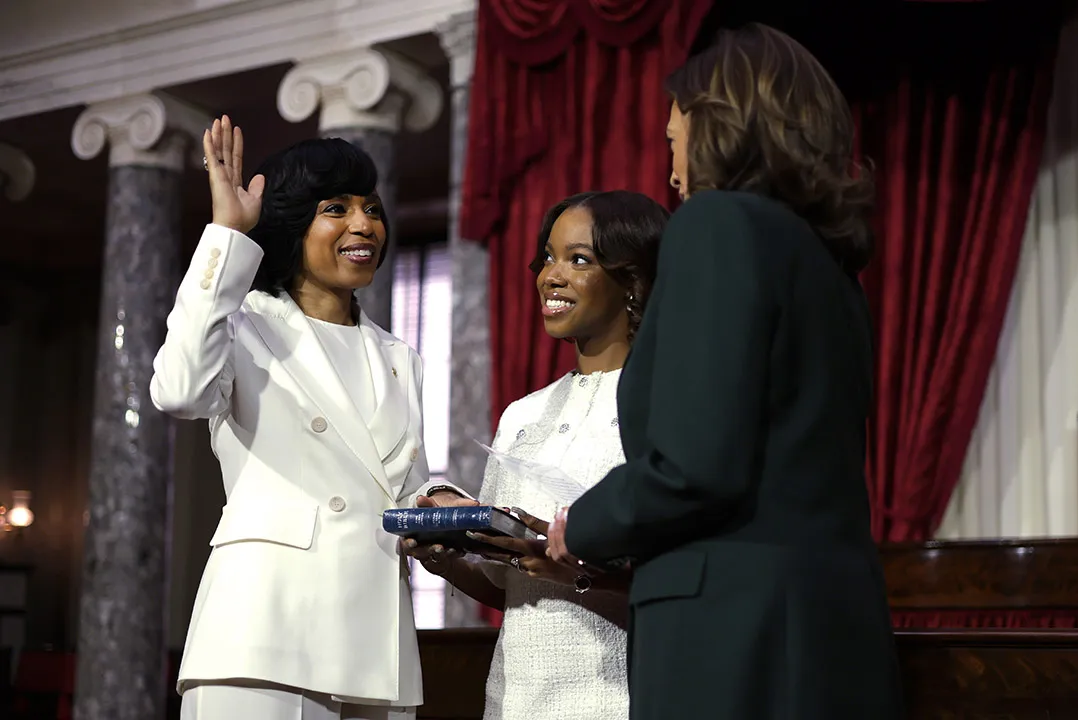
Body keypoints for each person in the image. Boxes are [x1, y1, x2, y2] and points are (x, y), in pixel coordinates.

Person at [546, 24, 904, 720]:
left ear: (717, 122)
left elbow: (695, 465)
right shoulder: (833, 271)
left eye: (674, 132)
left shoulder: (716, 224)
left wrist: (580, 525)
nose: (670, 157)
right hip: (834, 625)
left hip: (736, 634)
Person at [151, 116, 470, 720]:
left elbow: (398, 486)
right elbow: (178, 391)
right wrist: (225, 234)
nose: (363, 224)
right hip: (263, 634)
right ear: (294, 224)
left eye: (371, 208)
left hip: (374, 642)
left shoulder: (402, 359)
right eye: (336, 207)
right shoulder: (244, 325)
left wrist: (437, 500)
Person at [406, 190, 668, 720]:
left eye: (579, 259)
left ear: (634, 281)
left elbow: (675, 588)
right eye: (548, 257)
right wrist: (442, 551)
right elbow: (509, 585)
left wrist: (570, 570)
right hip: (516, 699)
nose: (551, 275)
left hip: (621, 697)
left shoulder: (670, 403)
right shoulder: (522, 415)